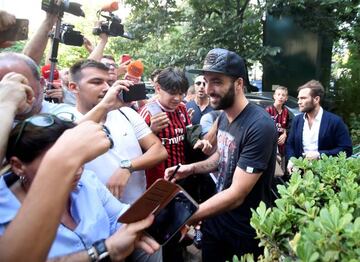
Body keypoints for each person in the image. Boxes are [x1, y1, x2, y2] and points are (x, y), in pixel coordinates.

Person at [165, 48, 277, 261]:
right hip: (217, 219)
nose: (208, 89)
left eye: (216, 81)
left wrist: (185, 217)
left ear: (239, 84)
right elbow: (223, 156)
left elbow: (236, 195)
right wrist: (191, 169)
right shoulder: (224, 117)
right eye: (206, 81)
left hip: (245, 231)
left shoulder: (259, 125)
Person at [0, 114, 159, 261]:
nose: (77, 170)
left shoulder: (87, 181)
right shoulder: (5, 214)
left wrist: (146, 222)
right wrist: (104, 250)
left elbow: (117, 215)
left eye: (80, 158)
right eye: (58, 162)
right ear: (18, 166)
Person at [286, 80, 352, 173]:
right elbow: (290, 144)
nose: (299, 102)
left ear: (316, 99)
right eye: (299, 98)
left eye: (303, 98)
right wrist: (292, 159)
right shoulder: (297, 120)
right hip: (300, 174)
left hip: (326, 176)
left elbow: (346, 149)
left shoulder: (335, 121)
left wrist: (319, 155)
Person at [265, 86, 290, 174]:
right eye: (278, 94)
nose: (280, 97)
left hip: (282, 145)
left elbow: (286, 127)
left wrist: (285, 134)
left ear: (286, 98)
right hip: (271, 146)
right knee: (272, 171)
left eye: (283, 95)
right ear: (274, 96)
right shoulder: (268, 110)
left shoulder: (286, 112)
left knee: (281, 172)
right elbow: (264, 128)